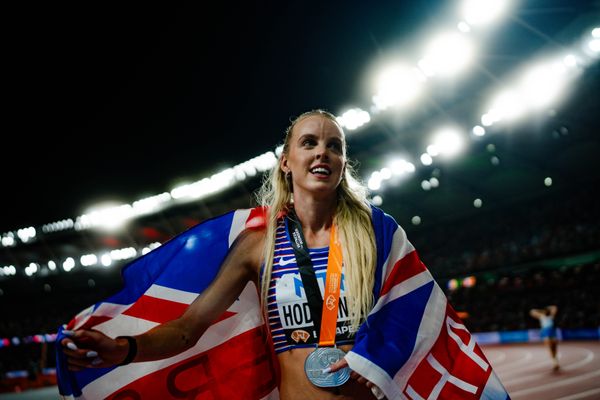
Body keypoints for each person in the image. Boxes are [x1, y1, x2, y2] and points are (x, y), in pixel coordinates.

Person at [60, 109, 509, 400]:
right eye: (309, 142)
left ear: (342, 164)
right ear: (286, 162)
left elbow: (417, 318)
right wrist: (122, 348)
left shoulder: (377, 233)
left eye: (334, 146)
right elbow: (187, 330)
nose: (323, 152)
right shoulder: (258, 245)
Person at [530, 305, 559, 370]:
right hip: (549, 332)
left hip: (549, 332)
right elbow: (532, 311)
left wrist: (545, 309)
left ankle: (555, 363)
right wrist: (544, 310)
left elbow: (555, 308)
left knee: (553, 349)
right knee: (552, 349)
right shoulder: (546, 316)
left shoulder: (547, 316)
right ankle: (555, 363)